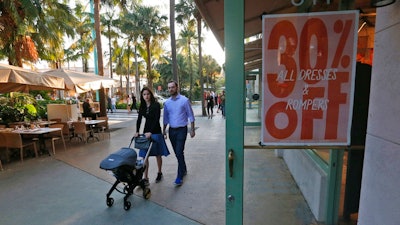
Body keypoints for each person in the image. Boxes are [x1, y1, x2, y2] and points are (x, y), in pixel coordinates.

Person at [163, 80, 195, 186]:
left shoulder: (184, 100)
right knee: (178, 153)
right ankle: (184, 168)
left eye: (172, 87)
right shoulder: (167, 103)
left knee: (179, 151)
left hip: (182, 129)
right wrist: (164, 130)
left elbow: (190, 115)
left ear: (177, 88)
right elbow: (166, 118)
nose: (171, 89)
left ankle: (179, 176)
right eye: (169, 87)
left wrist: (192, 129)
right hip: (172, 130)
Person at [134, 87, 170, 185]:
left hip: (155, 131)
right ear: (142, 96)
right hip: (146, 132)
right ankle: (145, 177)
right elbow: (139, 120)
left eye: (148, 94)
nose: (146, 96)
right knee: (144, 156)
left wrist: (151, 132)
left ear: (151, 95)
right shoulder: (142, 106)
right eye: (144, 94)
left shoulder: (156, 105)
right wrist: (137, 131)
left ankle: (159, 172)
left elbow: (156, 119)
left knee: (158, 154)